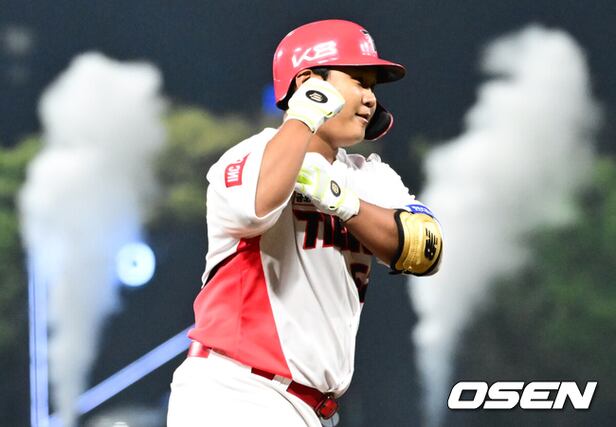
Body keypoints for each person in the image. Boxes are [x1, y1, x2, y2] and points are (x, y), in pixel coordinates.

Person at [167, 19, 443, 427]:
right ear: (310, 82)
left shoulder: (370, 175)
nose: (370, 98)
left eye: (373, 87)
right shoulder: (249, 155)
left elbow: (427, 251)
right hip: (237, 392)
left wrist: (345, 203)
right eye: (358, 81)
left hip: (311, 407)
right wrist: (304, 114)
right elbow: (255, 207)